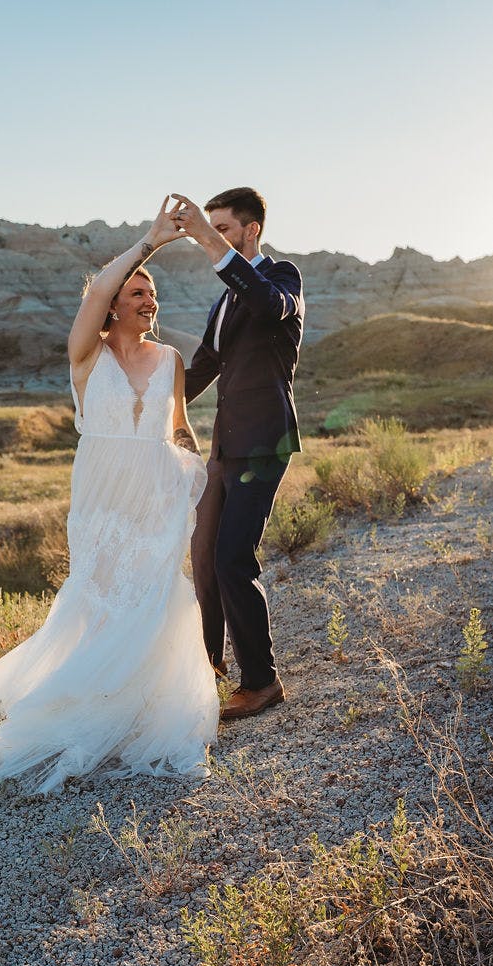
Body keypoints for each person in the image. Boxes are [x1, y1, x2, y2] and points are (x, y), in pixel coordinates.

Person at [0, 198, 219, 794]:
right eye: (136, 292)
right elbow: (92, 297)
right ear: (110, 306)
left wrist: (196, 479)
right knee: (103, 594)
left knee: (155, 598)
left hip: (156, 493)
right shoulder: (87, 356)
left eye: (151, 291)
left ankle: (143, 714)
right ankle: (97, 711)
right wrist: (149, 244)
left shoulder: (172, 359)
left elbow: (179, 427)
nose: (148, 299)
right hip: (102, 496)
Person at [169, 188, 304, 719]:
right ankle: (207, 665)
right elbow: (203, 364)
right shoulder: (224, 299)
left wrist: (204, 237)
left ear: (251, 230)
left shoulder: (281, 278)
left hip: (264, 442)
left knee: (232, 558)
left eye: (223, 228)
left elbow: (270, 306)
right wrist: (153, 405)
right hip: (226, 445)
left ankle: (262, 680)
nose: (215, 237)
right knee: (204, 556)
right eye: (213, 228)